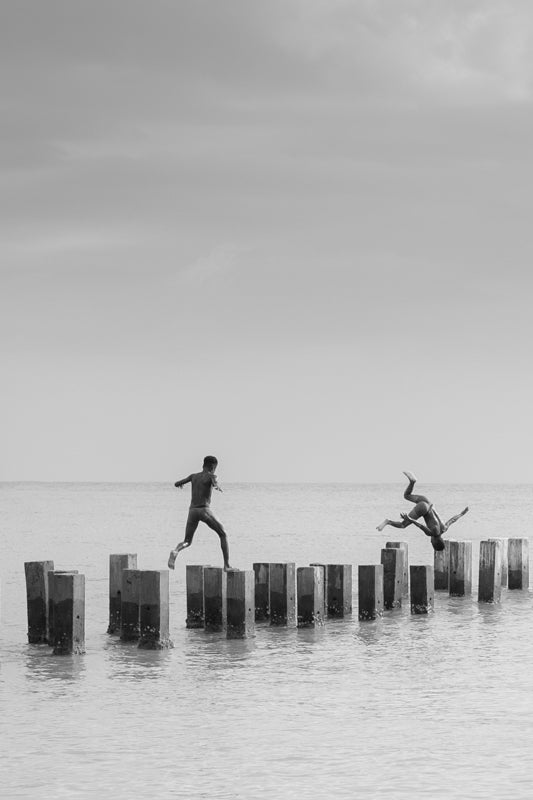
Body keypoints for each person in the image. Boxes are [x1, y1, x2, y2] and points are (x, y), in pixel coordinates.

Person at [168, 455, 233, 571]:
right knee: (223, 534)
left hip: (192, 511)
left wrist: (180, 484)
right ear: (213, 467)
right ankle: (227, 565)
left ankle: (176, 551)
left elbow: (176, 483)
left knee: (187, 541)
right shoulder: (211, 476)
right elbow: (214, 481)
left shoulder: (193, 476)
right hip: (204, 510)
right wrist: (216, 486)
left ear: (203, 465)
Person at [376, 471, 469, 551]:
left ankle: (412, 482)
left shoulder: (444, 529)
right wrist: (409, 518)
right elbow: (419, 525)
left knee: (407, 495)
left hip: (427, 502)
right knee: (402, 525)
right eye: (432, 543)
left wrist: (462, 513)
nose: (430, 542)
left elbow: (452, 520)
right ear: (435, 542)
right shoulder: (431, 533)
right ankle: (387, 522)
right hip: (423, 508)